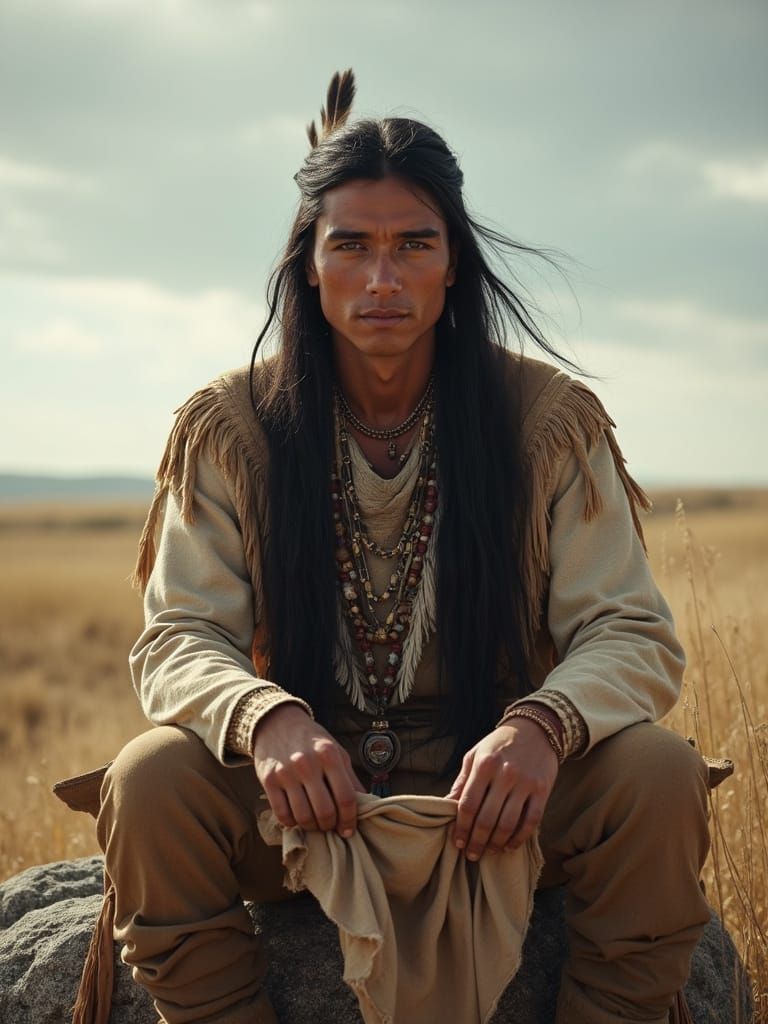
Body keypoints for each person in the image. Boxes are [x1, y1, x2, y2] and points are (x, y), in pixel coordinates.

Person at [84, 70, 711, 1023]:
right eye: (353, 246)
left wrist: (541, 728)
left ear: (452, 261)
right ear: (310, 263)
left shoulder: (544, 420)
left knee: (661, 776)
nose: (383, 279)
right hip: (304, 809)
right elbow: (176, 636)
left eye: (414, 244)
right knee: (148, 783)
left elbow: (631, 629)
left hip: (497, 809)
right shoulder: (233, 425)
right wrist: (268, 721)